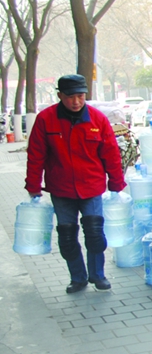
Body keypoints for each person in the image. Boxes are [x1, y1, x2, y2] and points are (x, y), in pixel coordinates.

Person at [25, 74, 126, 293]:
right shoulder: (46, 119)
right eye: (71, 97)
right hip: (61, 189)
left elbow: (111, 154)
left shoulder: (97, 119)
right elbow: (35, 155)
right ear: (60, 95)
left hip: (91, 187)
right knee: (67, 236)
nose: (76, 101)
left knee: (94, 233)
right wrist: (33, 185)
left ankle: (98, 275)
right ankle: (78, 278)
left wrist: (116, 183)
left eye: (80, 96)